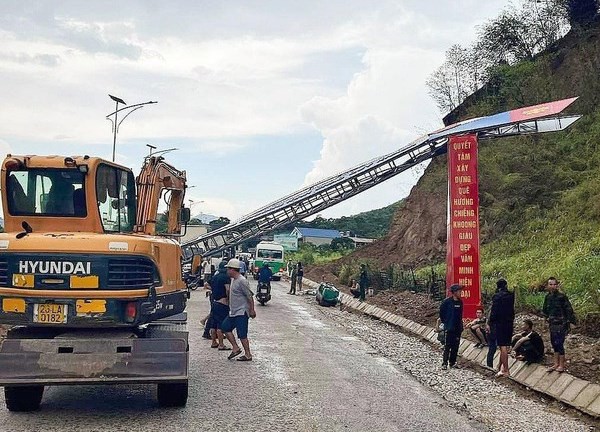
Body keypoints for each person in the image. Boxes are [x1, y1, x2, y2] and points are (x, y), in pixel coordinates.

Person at [221, 258, 256, 361]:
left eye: (228, 269)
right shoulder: (233, 280)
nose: (227, 271)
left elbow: (249, 296)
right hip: (233, 311)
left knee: (242, 334)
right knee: (225, 327)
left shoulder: (242, 281)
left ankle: (248, 354)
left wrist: (252, 310)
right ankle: (235, 348)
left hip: (241, 312)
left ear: (233, 270)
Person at [543, 277, 576, 373]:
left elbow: (569, 310)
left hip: (562, 324)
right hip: (552, 324)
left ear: (557, 285)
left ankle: (562, 364)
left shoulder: (562, 297)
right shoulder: (547, 297)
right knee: (554, 343)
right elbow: (545, 310)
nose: (553, 286)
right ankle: (555, 363)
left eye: (554, 284)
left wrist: (570, 322)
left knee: (559, 343)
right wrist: (544, 322)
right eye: (551, 284)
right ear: (548, 285)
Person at [489, 279, 515, 378]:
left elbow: (494, 311)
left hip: (500, 323)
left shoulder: (497, 297)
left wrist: (491, 322)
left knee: (502, 346)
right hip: (509, 322)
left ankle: (506, 369)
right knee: (505, 345)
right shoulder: (511, 295)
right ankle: (499, 367)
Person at [439, 284, 463, 370]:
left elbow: (460, 315)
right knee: (447, 346)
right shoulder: (447, 302)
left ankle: (452, 362)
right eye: (459, 291)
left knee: (455, 346)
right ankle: (444, 363)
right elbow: (441, 313)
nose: (461, 293)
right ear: (454, 292)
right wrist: (446, 322)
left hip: (458, 328)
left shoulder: (460, 302)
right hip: (449, 327)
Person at [208, 261, 231, 350]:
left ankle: (214, 342)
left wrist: (214, 289)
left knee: (213, 324)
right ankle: (221, 344)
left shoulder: (215, 277)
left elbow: (206, 284)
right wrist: (228, 300)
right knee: (220, 325)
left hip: (214, 302)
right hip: (222, 303)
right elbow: (228, 290)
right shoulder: (226, 277)